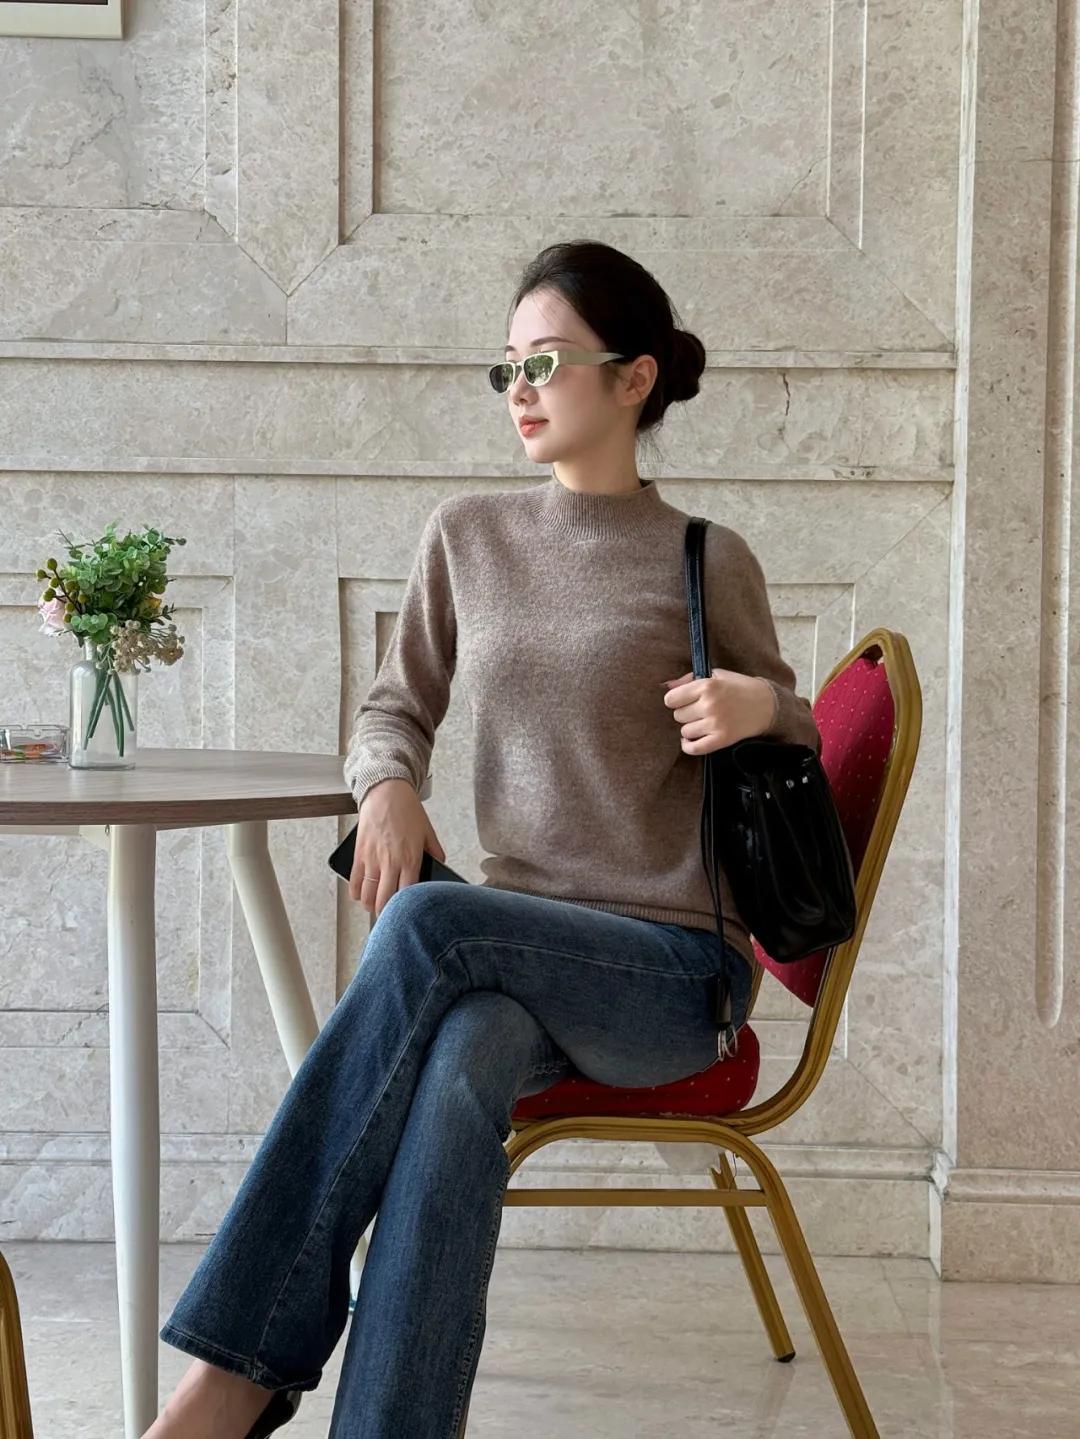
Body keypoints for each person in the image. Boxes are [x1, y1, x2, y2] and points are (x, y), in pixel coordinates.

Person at [145, 239, 821, 1439]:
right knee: (464, 1053)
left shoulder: (703, 557)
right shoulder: (469, 534)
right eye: (507, 366)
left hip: (673, 976)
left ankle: (231, 1377)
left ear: (634, 378)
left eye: (546, 363)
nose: (519, 389)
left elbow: (806, 725)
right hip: (514, 956)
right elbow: (392, 706)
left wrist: (759, 703)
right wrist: (386, 786)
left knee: (428, 920)